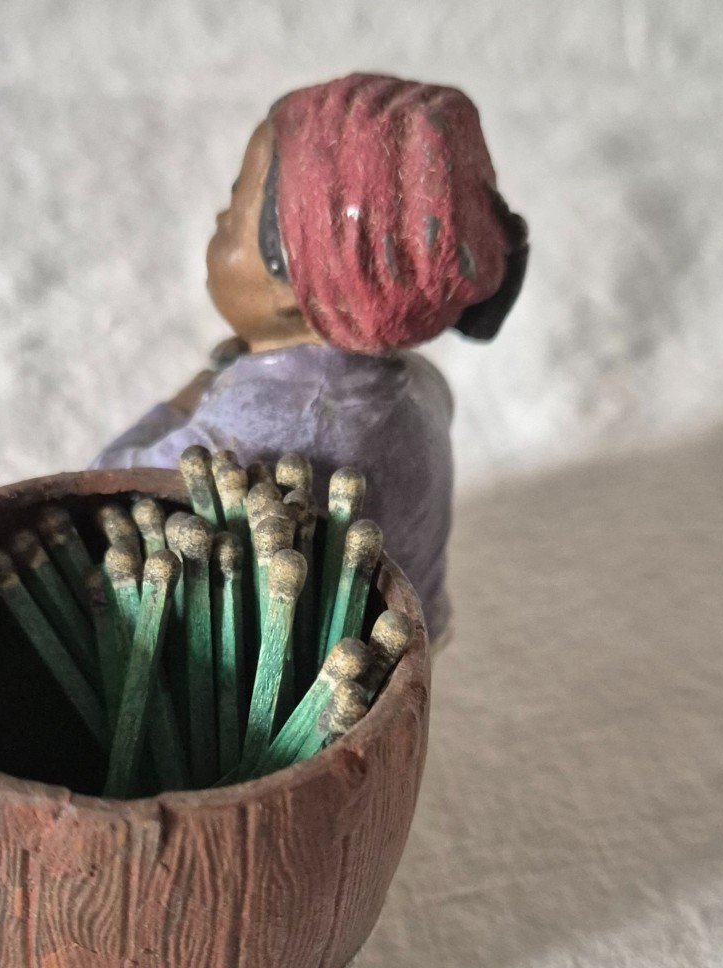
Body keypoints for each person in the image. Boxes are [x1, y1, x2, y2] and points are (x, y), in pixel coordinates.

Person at [92, 73, 528, 640]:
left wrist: (183, 400)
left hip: (289, 692)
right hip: (410, 639)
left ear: (295, 285)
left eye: (230, 217)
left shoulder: (262, 429)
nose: (216, 226)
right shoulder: (420, 381)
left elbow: (107, 493)